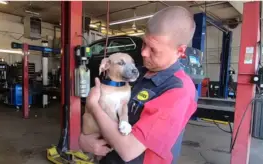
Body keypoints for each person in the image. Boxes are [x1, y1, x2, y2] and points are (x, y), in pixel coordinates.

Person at [79, 6, 198, 164]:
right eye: (144, 44)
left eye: (153, 50)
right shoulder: (139, 73)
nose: (144, 53)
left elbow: (128, 150)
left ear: (180, 51)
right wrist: (83, 140)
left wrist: (93, 105)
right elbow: (104, 120)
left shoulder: (178, 91)